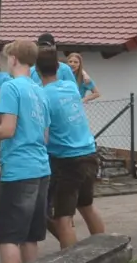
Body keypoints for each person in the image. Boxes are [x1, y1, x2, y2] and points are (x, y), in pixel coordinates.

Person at [0, 40, 52, 263]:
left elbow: (7, 129)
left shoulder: (11, 87)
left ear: (14, 59)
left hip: (19, 168)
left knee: (9, 236)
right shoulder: (40, 90)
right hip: (41, 167)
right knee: (30, 235)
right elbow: (46, 135)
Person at [37, 46, 105, 247]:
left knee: (63, 217)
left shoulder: (42, 95)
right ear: (58, 67)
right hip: (89, 153)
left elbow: (45, 134)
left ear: (37, 71)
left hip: (66, 160)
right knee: (87, 206)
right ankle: (103, 249)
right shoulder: (70, 88)